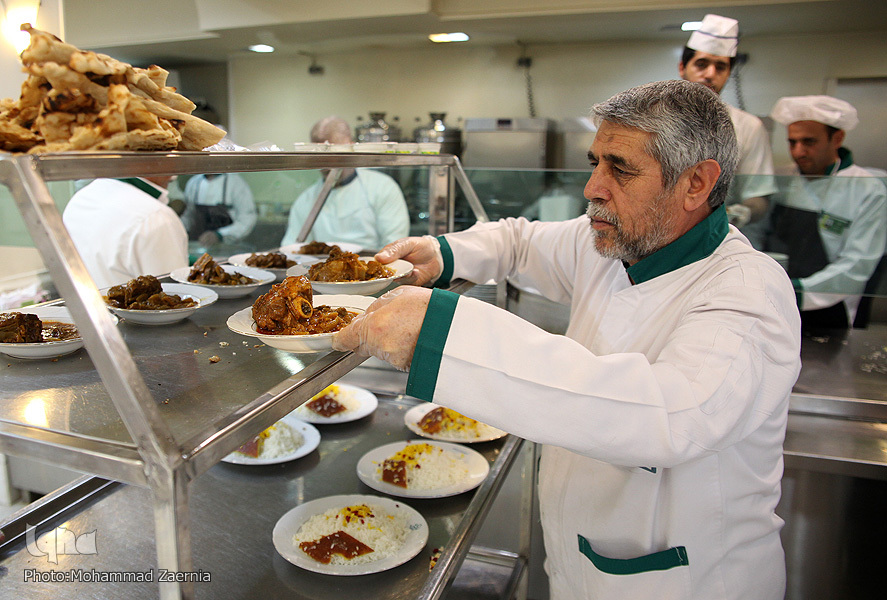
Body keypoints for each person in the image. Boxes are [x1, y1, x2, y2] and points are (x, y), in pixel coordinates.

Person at [333, 80, 801, 600]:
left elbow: (665, 415)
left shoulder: (748, 292)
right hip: (579, 568)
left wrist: (442, 332)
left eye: (620, 168)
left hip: (689, 582)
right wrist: (443, 252)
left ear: (696, 183)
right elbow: (519, 240)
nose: (593, 187)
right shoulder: (613, 243)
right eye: (595, 161)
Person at [768, 95, 887, 330]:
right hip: (773, 299)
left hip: (827, 306)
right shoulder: (782, 179)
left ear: (838, 138)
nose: (798, 152)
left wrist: (799, 290)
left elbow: (857, 264)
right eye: (792, 142)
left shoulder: (867, 189)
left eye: (809, 142)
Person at [678, 13, 777, 248]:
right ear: (683, 67)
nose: (710, 74)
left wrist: (742, 213)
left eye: (720, 66)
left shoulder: (749, 127)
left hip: (720, 241)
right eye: (701, 64)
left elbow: (759, 195)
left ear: (729, 73)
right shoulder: (655, 120)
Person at [280, 116, 410, 251]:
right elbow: (293, 249)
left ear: (351, 147)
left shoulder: (383, 187)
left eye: (332, 154)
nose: (324, 164)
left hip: (374, 266)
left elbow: (395, 246)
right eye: (317, 155)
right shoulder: (306, 200)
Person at [62, 176, 188, 289]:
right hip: (130, 314)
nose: (174, 176)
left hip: (92, 312)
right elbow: (174, 299)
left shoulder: (79, 200)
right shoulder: (156, 217)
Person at [180, 172, 257, 247]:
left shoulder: (236, 183)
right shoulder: (193, 183)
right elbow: (188, 217)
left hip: (228, 248)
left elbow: (247, 218)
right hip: (198, 247)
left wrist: (220, 235)